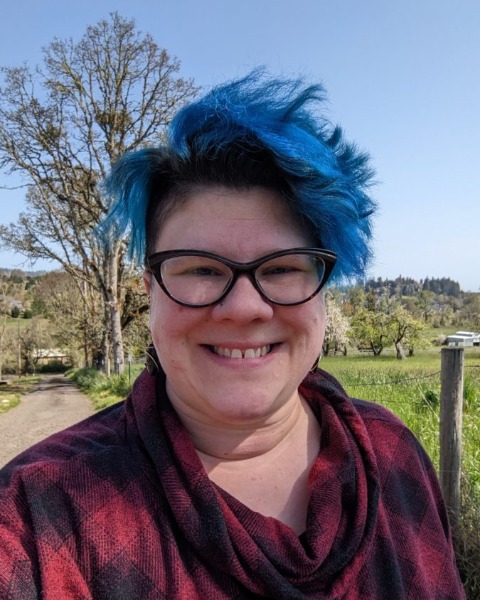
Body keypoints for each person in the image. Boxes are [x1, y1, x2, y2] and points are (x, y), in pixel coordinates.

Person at [0, 71, 465, 599]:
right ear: (150, 290)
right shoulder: (37, 519)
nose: (244, 308)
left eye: (283, 267)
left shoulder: (393, 453)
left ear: (323, 288)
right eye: (201, 269)